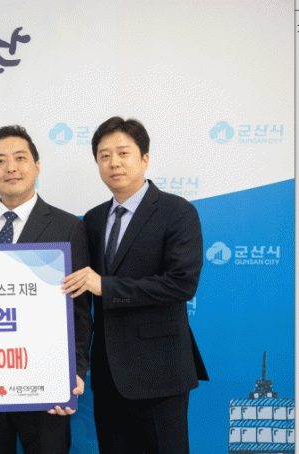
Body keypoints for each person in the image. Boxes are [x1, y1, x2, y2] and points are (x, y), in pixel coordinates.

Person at [62, 117, 208, 453]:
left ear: (144, 158)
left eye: (123, 153)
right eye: (104, 155)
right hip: (108, 375)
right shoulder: (93, 219)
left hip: (160, 372)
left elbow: (182, 284)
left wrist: (108, 287)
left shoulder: (177, 211)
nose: (113, 162)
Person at [0, 125, 92, 454]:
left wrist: (74, 372)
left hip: (44, 377)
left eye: (20, 158)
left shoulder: (68, 226)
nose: (11, 168)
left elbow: (79, 310)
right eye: (0, 161)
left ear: (37, 166)